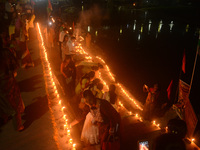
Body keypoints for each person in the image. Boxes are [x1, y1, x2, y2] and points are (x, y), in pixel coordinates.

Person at [0, 44, 25, 131]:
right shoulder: (6, 52)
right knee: (13, 101)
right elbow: (14, 64)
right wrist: (13, 71)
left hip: (3, 83)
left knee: (4, 102)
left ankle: (5, 117)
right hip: (8, 81)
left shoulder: (6, 52)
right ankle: (18, 125)